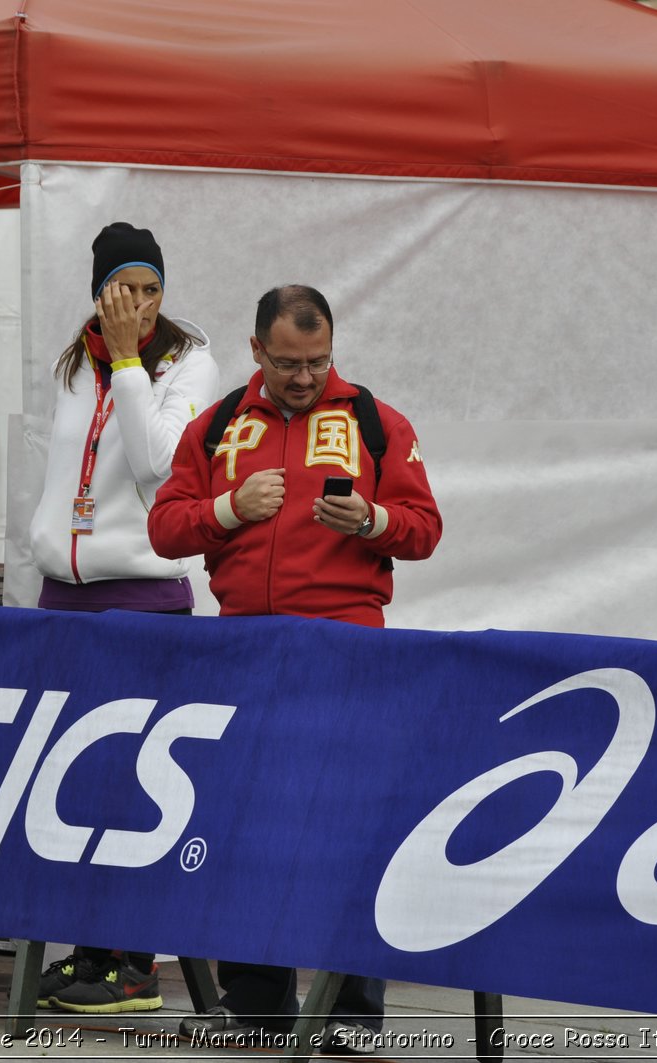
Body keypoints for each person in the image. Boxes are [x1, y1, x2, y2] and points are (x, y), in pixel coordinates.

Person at [147, 284, 441, 1052]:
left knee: (346, 831)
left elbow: (425, 529)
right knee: (243, 831)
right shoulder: (216, 428)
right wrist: (228, 510)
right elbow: (165, 528)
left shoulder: (377, 423)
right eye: (287, 363)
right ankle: (257, 1009)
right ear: (255, 352)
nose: (304, 377)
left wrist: (373, 521)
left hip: (347, 652)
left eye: (317, 361)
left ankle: (353, 1015)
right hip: (243, 648)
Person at [27, 222, 219, 1014]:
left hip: (141, 593)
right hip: (63, 592)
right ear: (99, 290)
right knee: (66, 777)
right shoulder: (74, 361)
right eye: (122, 289)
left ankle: (133, 958)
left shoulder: (189, 361)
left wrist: (133, 361)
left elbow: (159, 467)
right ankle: (86, 948)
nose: (136, 304)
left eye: (150, 290)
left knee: (129, 775)